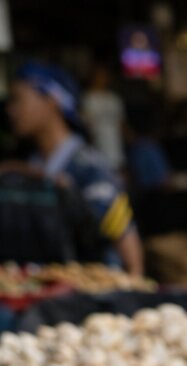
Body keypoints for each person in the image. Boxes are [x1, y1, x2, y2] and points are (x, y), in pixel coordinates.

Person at [7, 61, 143, 274]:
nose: (11, 110)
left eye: (18, 99)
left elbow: (126, 242)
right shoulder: (28, 166)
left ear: (51, 101)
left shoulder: (88, 168)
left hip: (88, 297)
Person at [81, 65, 125, 169]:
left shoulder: (114, 98)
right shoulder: (87, 98)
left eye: (104, 76)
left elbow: (121, 123)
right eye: (98, 76)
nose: (101, 79)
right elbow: (85, 122)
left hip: (115, 141)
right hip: (97, 141)